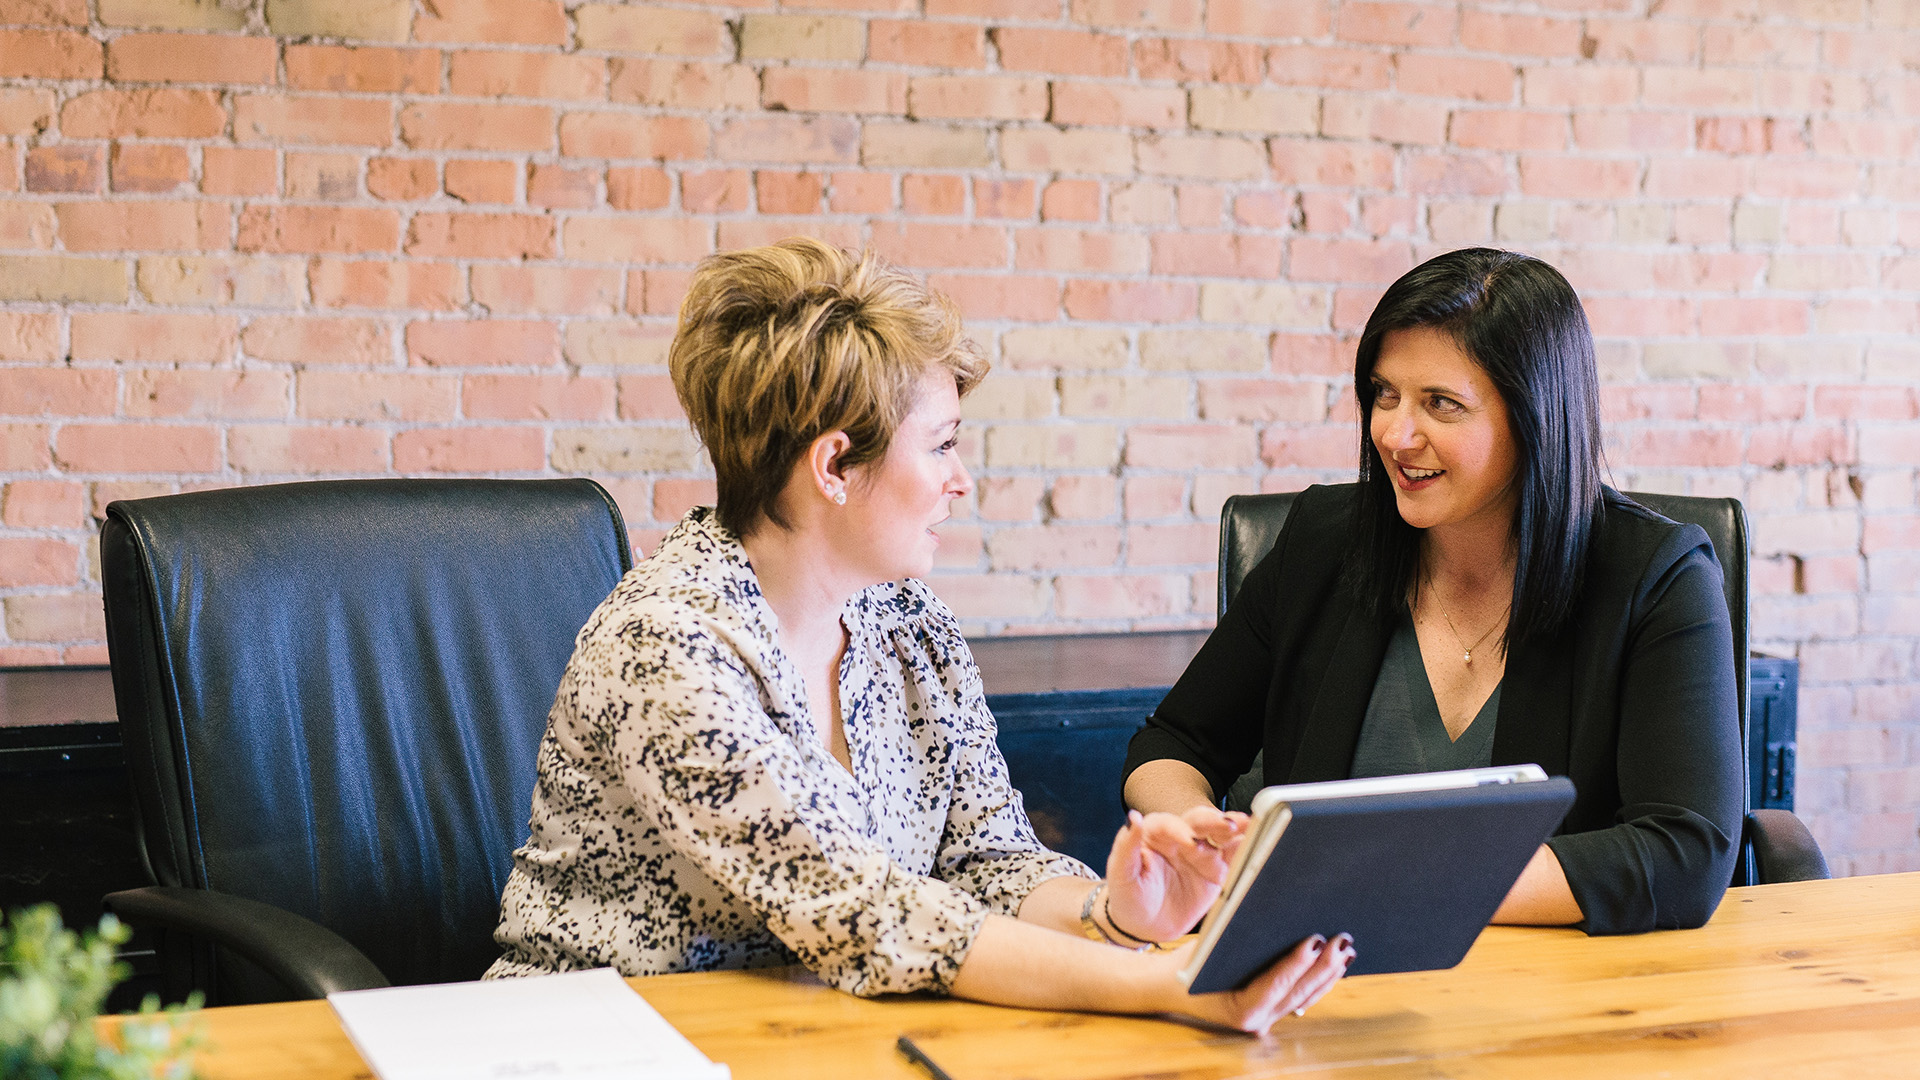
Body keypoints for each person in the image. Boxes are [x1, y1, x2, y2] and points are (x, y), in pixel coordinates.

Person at [487, 238, 1351, 1031]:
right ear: (834, 466)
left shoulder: (907, 622)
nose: (961, 481)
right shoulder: (666, 646)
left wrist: (1117, 916)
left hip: (818, 1034)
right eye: (941, 446)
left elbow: (989, 859)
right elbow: (866, 911)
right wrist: (1169, 985)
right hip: (597, 1041)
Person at [1122, 248, 1744, 935]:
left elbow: (1685, 851)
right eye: (1385, 394)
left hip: (1554, 993)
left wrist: (1380, 883)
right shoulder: (1324, 543)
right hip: (1316, 981)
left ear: (1535, 416)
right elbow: (1172, 743)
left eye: (1441, 404)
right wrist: (1196, 835)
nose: (1395, 433)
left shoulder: (1657, 576)